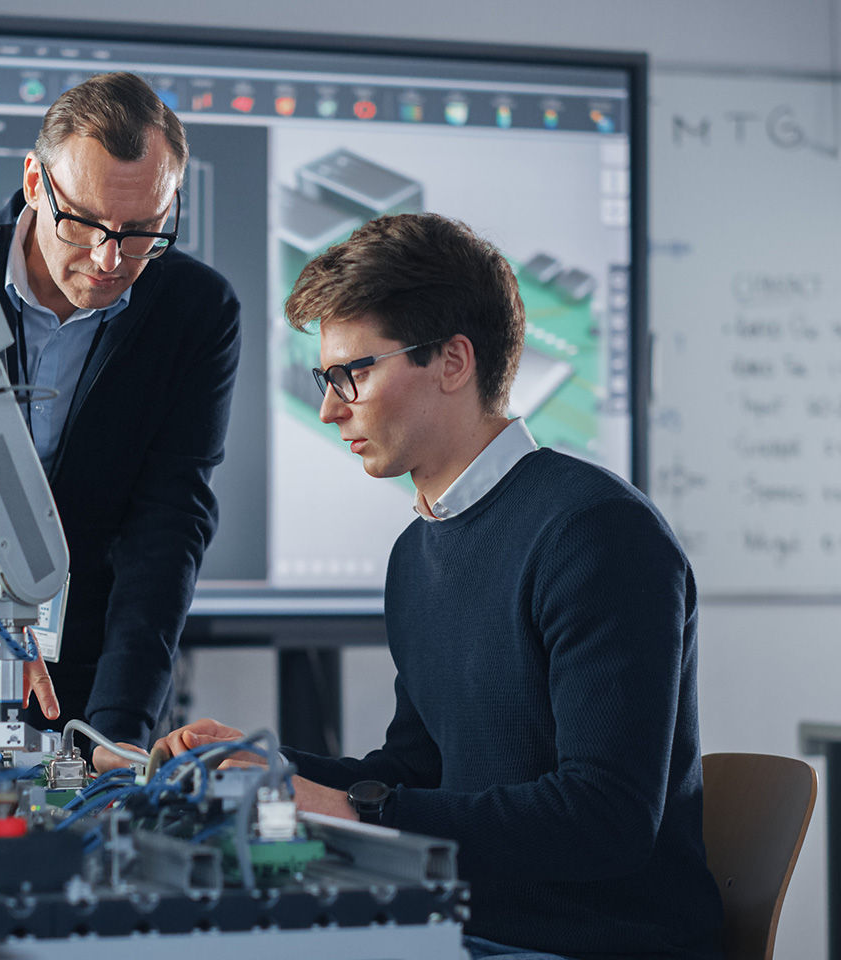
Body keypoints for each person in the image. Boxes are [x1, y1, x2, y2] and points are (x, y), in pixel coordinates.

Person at [155, 214, 722, 960]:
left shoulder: (597, 533)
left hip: (583, 943)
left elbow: (604, 820)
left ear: (454, 361)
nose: (330, 407)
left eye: (352, 373)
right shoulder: (417, 551)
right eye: (327, 379)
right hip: (462, 928)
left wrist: (345, 809)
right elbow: (414, 774)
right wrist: (272, 768)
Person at [0, 73, 240, 766]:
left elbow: (167, 526)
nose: (109, 260)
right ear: (34, 181)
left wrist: (119, 731)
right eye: (86, 222)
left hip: (89, 686)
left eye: (143, 231)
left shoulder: (197, 312)